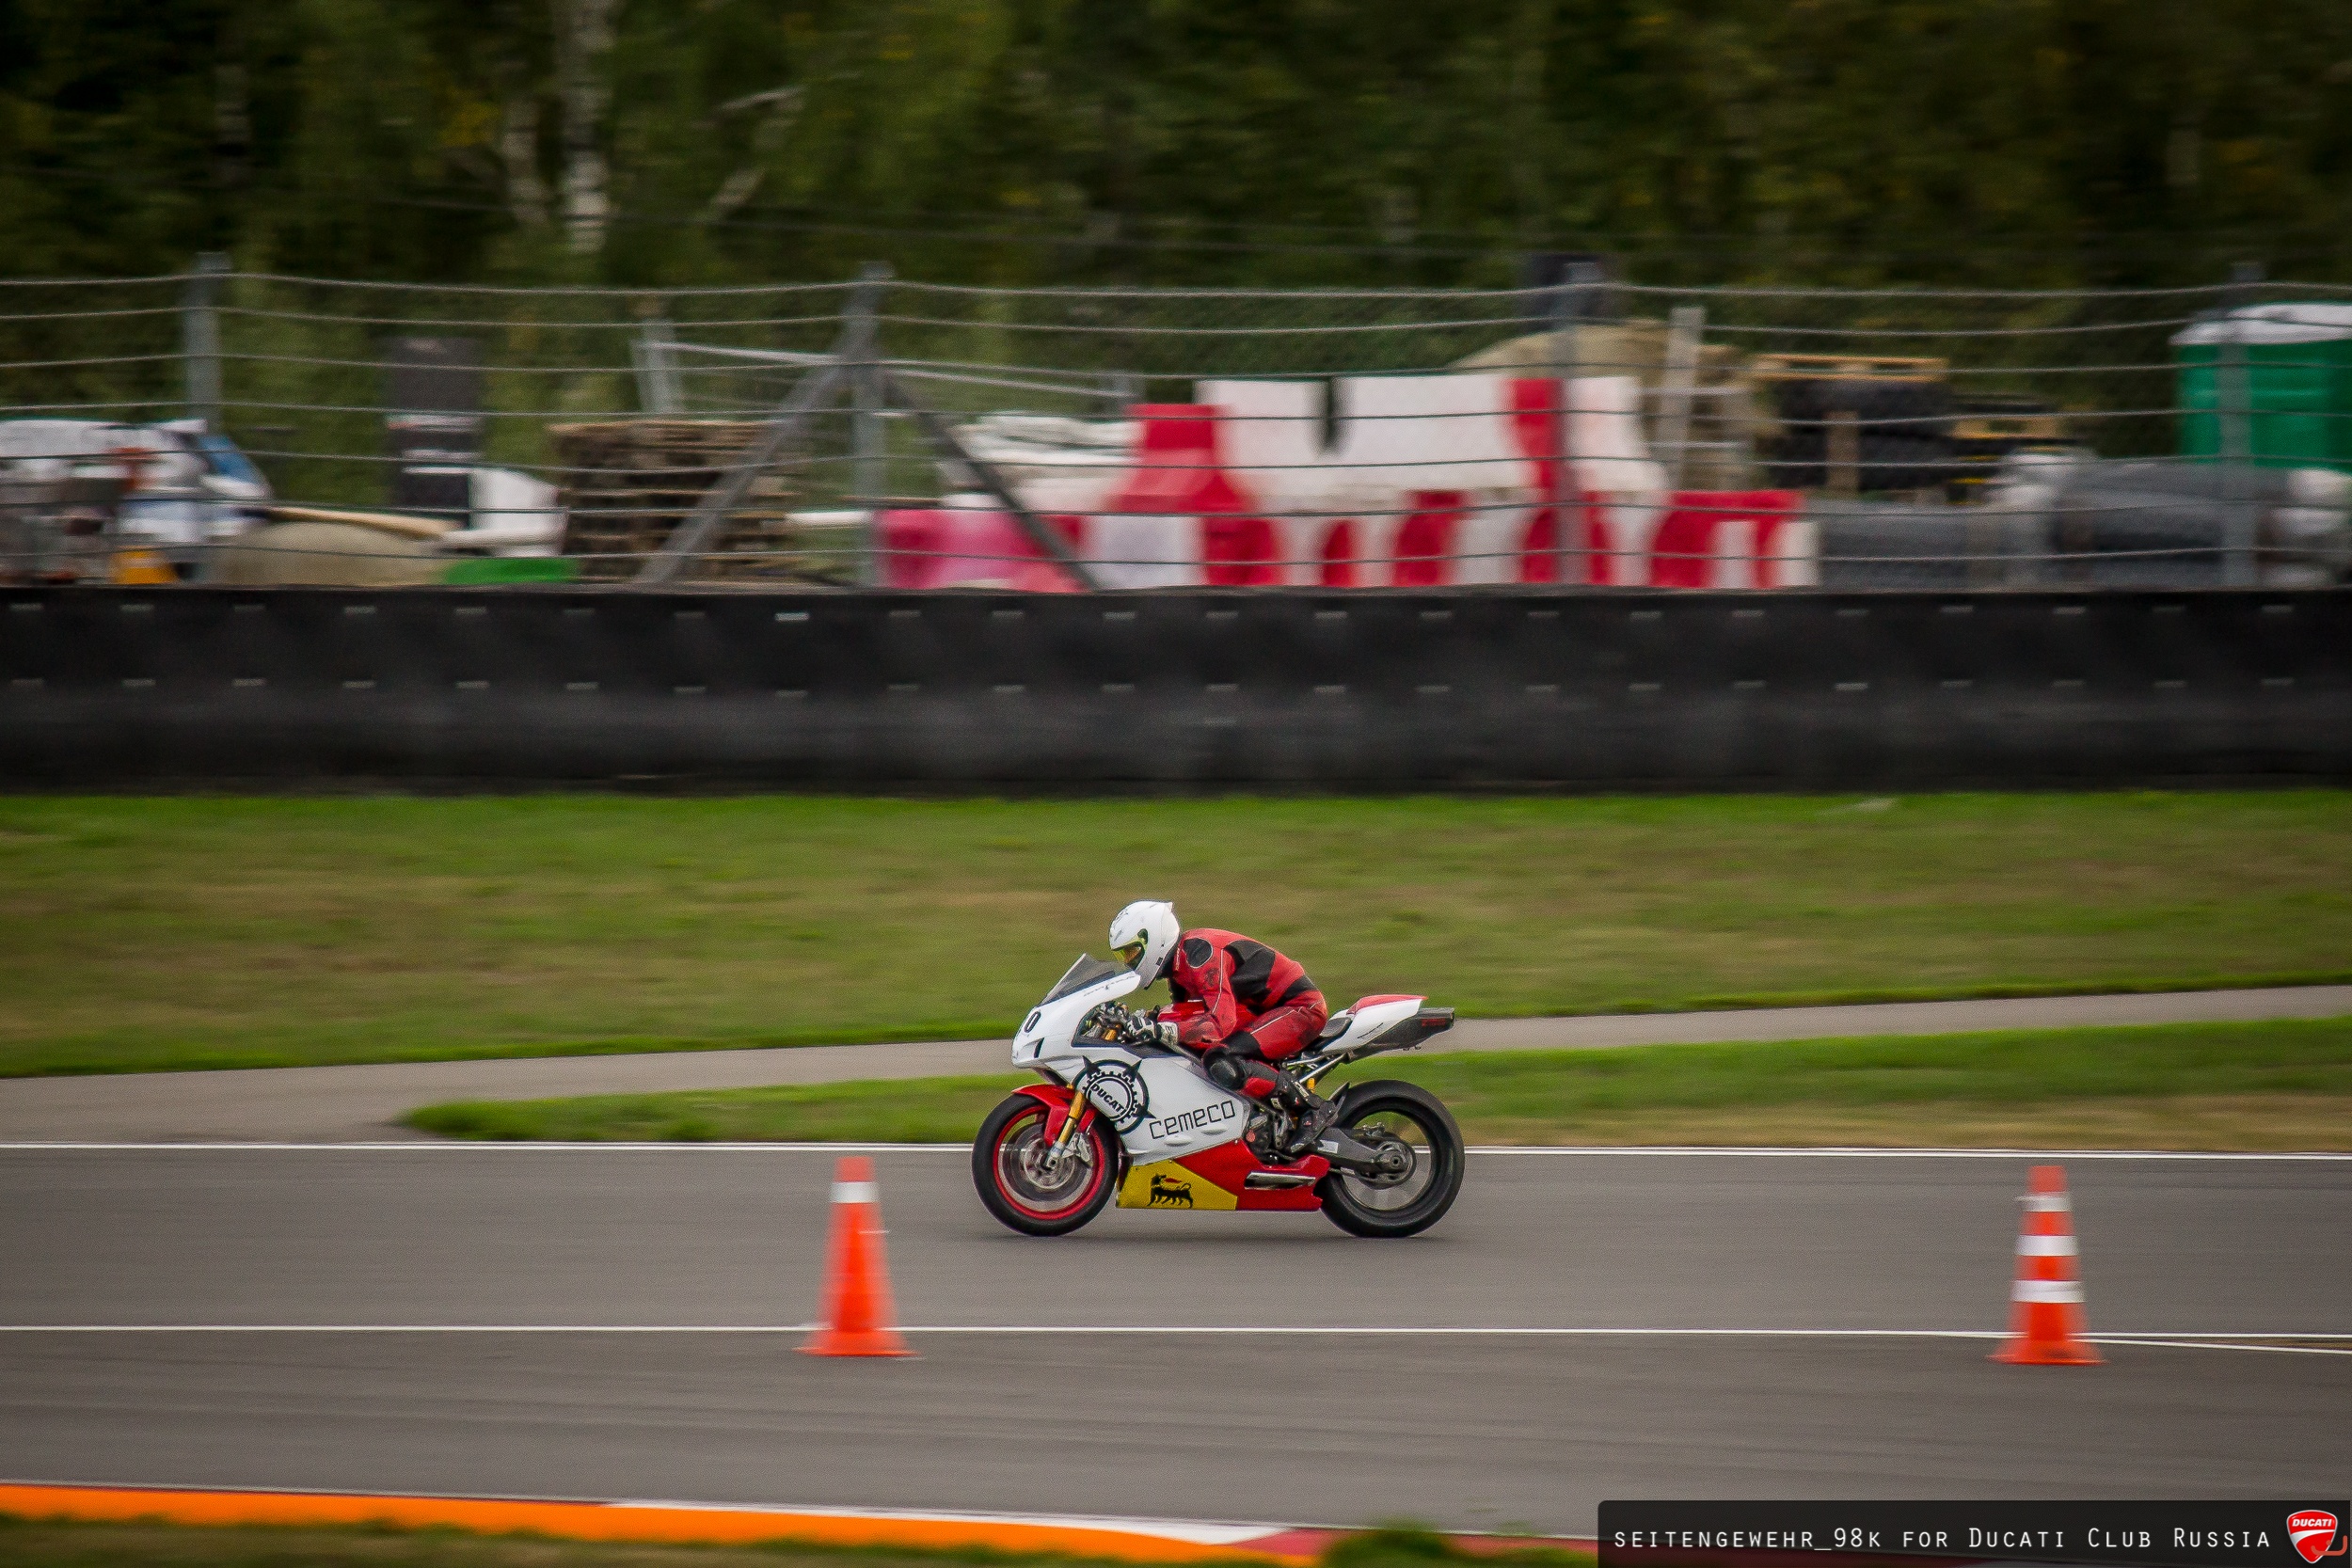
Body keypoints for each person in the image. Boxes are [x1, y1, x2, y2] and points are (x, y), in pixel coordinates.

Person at [1105, 899, 1335, 1148]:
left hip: (1299, 1008)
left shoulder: (1201, 955)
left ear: (1153, 938)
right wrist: (1147, 1021)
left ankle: (1311, 1108)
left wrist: (1162, 1030)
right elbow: (1189, 1020)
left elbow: (1219, 1024)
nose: (1129, 962)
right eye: (1124, 956)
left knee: (1221, 1059)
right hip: (1263, 1011)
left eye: (1132, 952)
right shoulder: (1179, 968)